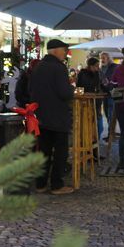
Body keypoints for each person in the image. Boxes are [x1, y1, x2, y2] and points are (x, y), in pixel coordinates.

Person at [30, 39, 75, 195]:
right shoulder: (58, 68)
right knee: (60, 152)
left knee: (44, 151)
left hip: (41, 116)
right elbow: (64, 93)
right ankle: (57, 184)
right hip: (58, 116)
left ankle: (40, 184)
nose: (65, 54)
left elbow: (31, 91)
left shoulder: (38, 67)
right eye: (64, 50)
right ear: (55, 51)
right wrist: (71, 89)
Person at [77, 57, 103, 140]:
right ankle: (88, 143)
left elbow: (98, 87)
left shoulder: (97, 73)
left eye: (98, 65)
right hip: (85, 103)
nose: (98, 68)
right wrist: (84, 95)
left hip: (96, 103)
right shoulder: (82, 73)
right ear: (90, 66)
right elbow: (79, 88)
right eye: (96, 66)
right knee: (87, 125)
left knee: (98, 126)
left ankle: (95, 143)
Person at [100, 52, 117, 135]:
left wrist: (108, 83)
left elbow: (114, 80)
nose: (102, 60)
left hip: (112, 94)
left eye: (103, 58)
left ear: (108, 58)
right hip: (104, 94)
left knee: (111, 114)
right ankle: (111, 132)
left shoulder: (114, 67)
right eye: (101, 58)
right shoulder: (101, 68)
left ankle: (111, 133)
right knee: (107, 114)